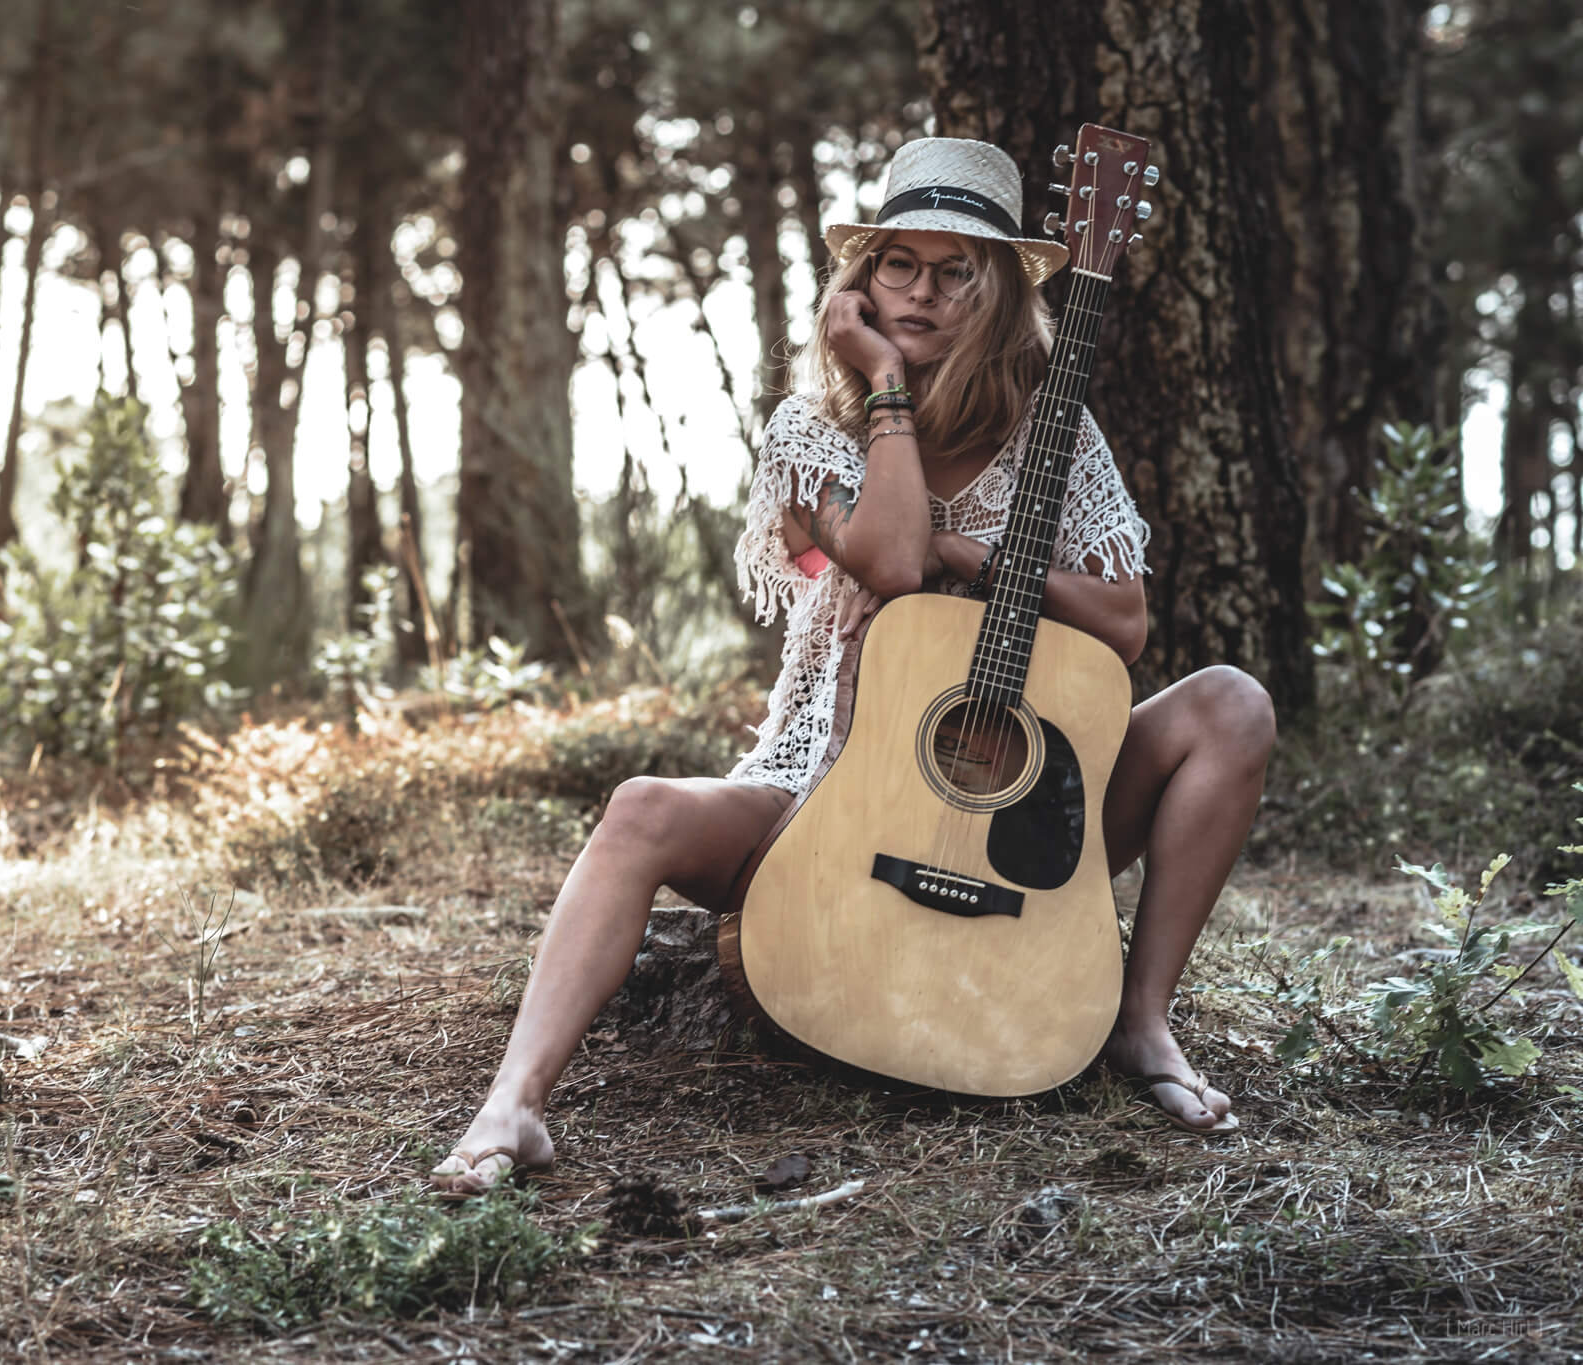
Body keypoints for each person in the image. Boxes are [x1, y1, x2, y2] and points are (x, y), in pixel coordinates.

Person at [429, 136, 1277, 1198]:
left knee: (1230, 705)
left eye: (953, 270)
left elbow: (1122, 619)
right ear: (859, 280)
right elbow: (885, 557)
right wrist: (882, 386)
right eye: (896, 264)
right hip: (819, 782)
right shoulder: (811, 425)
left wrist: (978, 556)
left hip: (1016, 818)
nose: (919, 292)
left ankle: (1138, 1021)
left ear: (1000, 290)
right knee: (641, 806)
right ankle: (513, 1103)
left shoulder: (1050, 434)